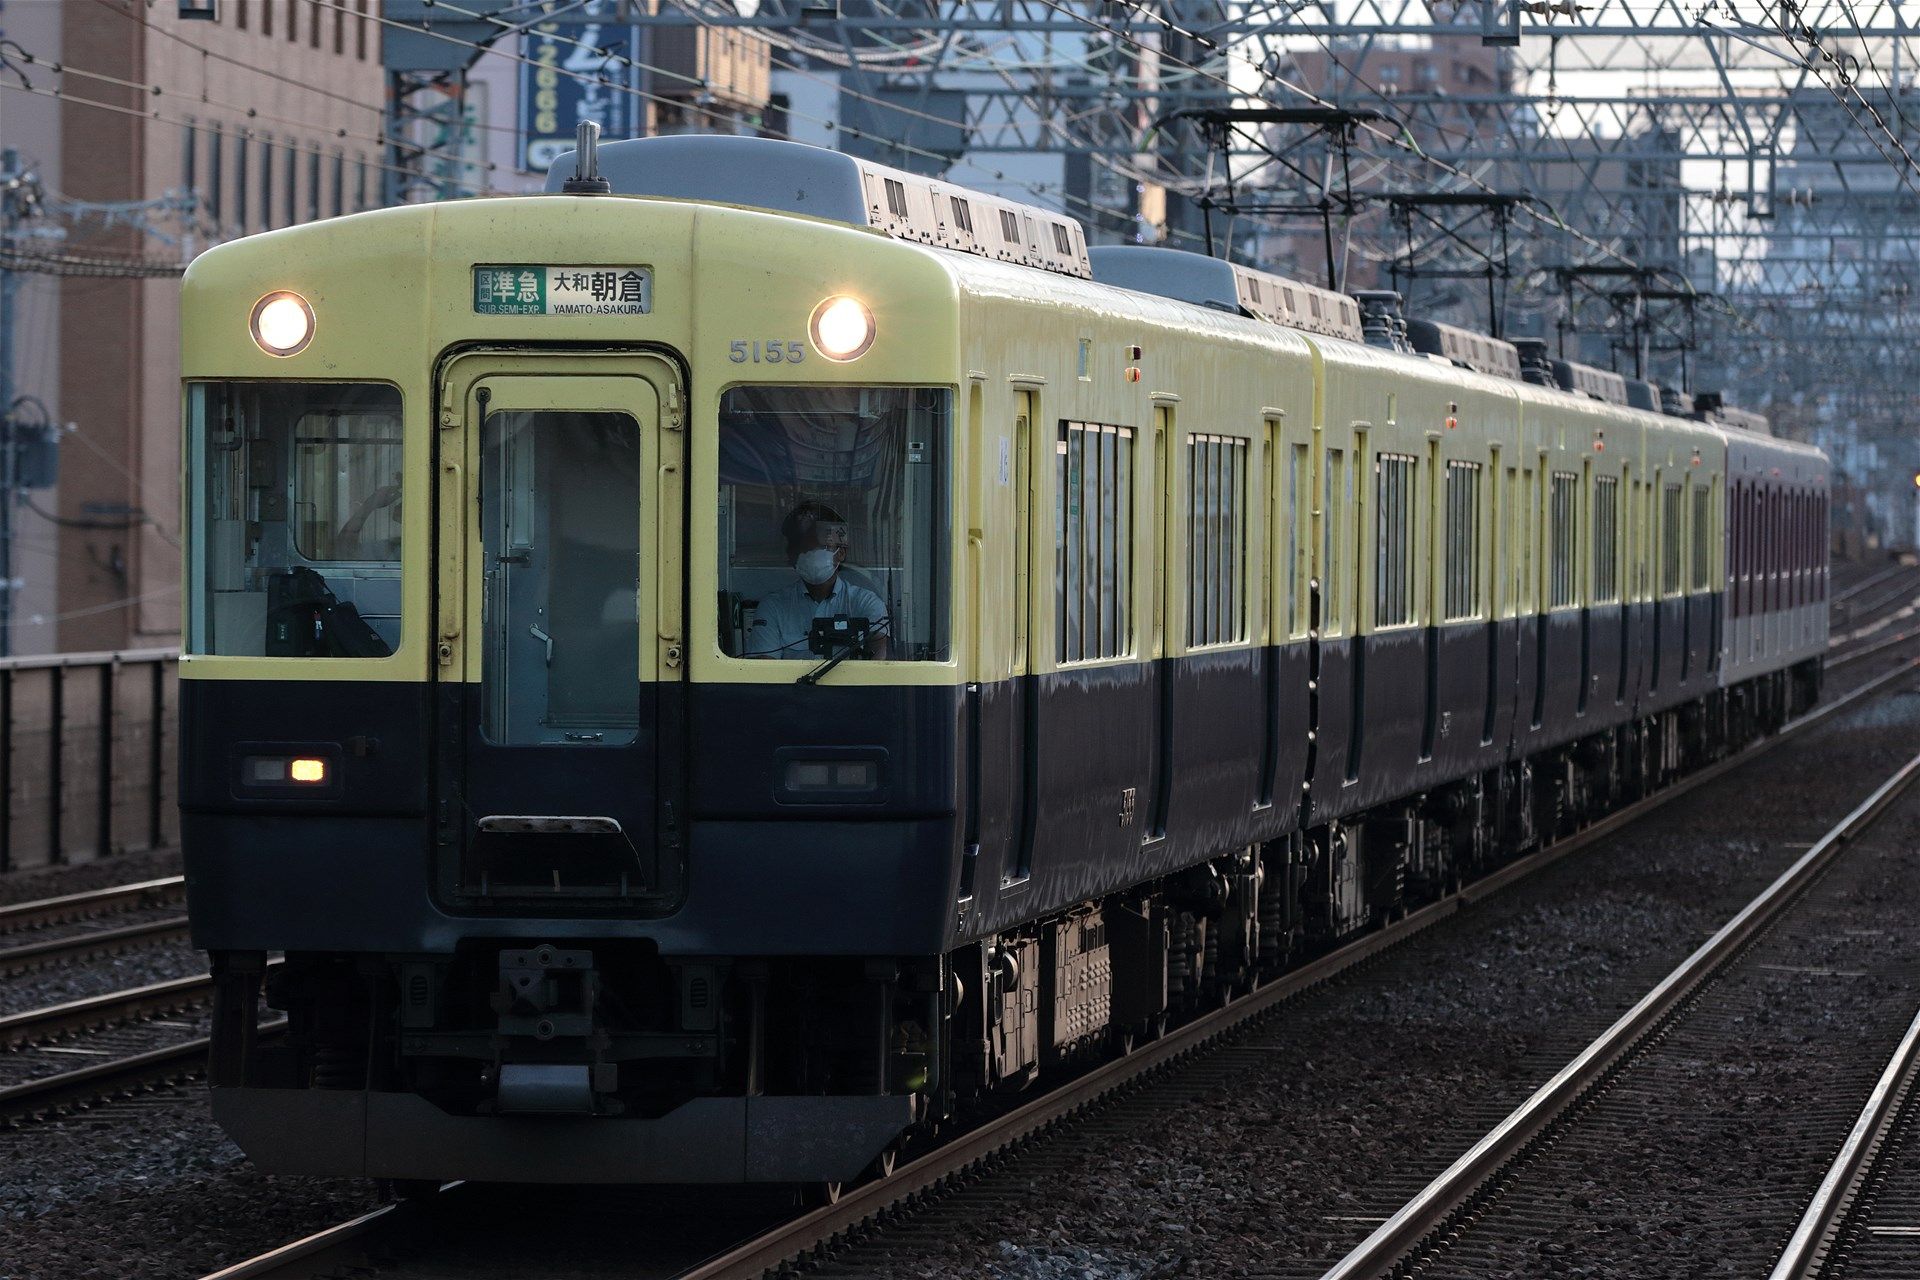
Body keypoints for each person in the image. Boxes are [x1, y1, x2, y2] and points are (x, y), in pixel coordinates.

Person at [744, 501, 890, 658]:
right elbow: (764, 668)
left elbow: (877, 664)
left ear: (841, 553)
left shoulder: (867, 604)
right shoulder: (773, 607)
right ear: (791, 556)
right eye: (802, 548)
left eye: (820, 547)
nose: (810, 554)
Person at [334, 477, 402, 561]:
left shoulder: (399, 550)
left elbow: (345, 548)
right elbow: (344, 549)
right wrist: (371, 503)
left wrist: (370, 504)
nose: (397, 502)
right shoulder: (392, 547)